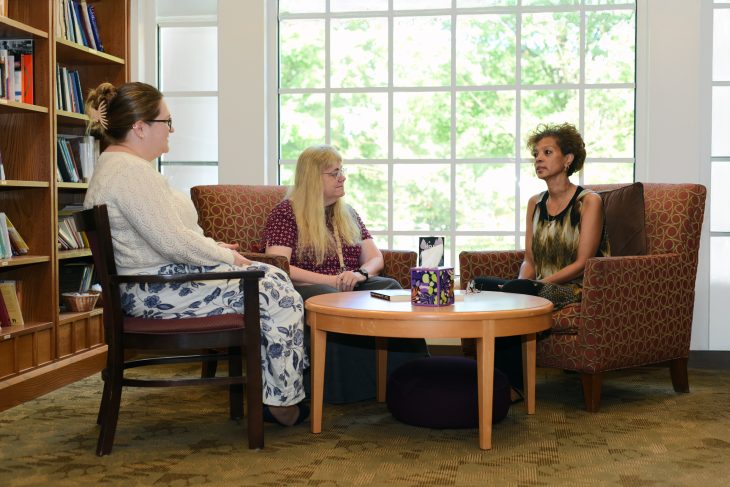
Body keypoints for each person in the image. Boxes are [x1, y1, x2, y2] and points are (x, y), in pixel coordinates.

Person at [83, 81, 308, 426]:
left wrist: (215, 249)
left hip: (154, 283)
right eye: (166, 121)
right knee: (277, 291)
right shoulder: (128, 172)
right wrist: (230, 258)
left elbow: (165, 235)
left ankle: (277, 390)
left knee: (271, 280)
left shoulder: (121, 168)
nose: (171, 129)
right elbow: (173, 242)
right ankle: (282, 402)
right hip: (155, 291)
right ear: (140, 128)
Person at [264, 145, 428, 404]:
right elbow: (279, 266)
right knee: (331, 298)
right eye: (334, 173)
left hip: (349, 283)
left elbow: (376, 258)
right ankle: (349, 389)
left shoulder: (347, 212)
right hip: (309, 286)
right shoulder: (287, 213)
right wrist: (331, 280)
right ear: (312, 178)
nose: (342, 177)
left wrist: (361, 273)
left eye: (342, 171)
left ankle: (412, 377)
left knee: (390, 285)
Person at [470, 123, 609, 399]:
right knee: (476, 285)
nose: (538, 159)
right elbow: (529, 259)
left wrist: (533, 286)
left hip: (574, 289)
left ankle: (513, 388)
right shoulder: (535, 202)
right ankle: (488, 380)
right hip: (537, 286)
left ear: (568, 159)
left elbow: (584, 263)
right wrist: (523, 283)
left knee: (515, 294)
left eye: (547, 152)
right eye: (536, 154)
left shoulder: (589, 202)